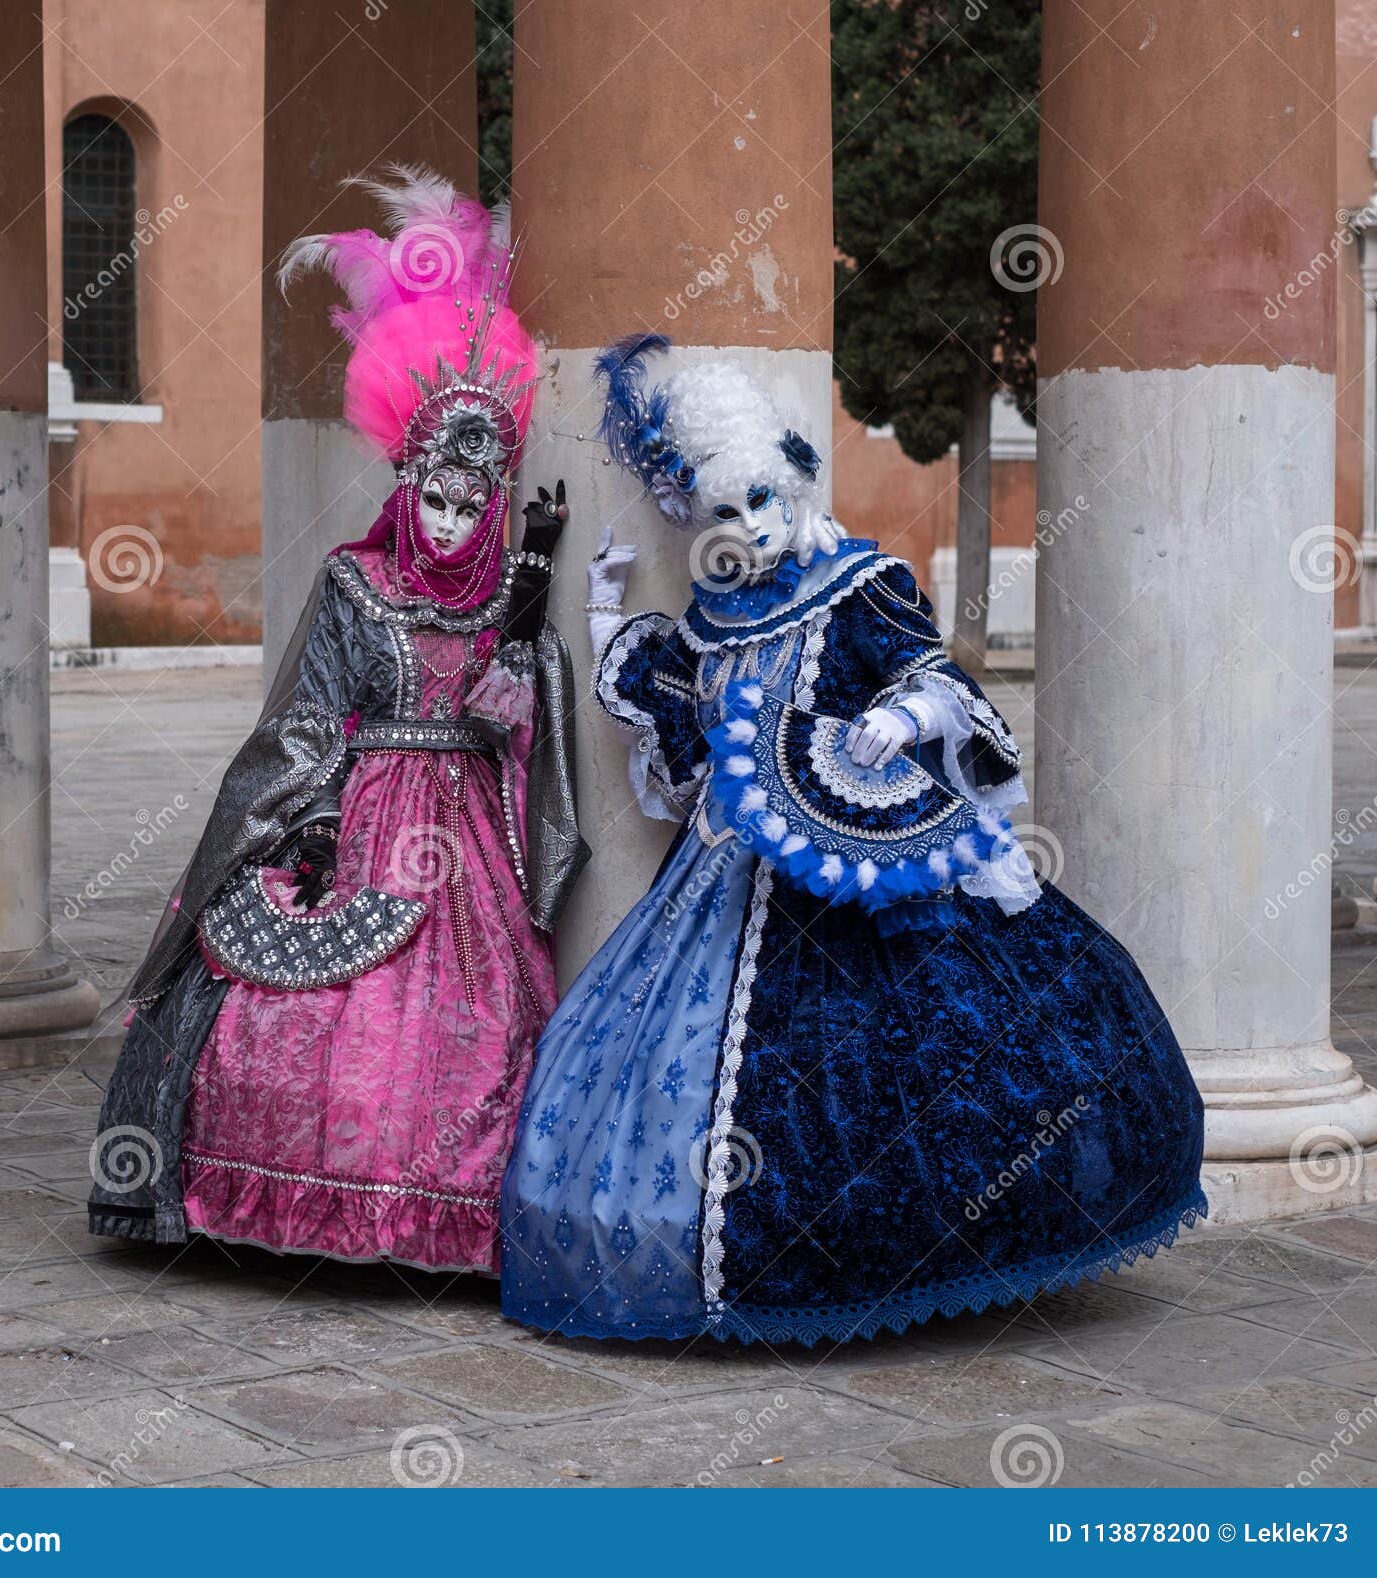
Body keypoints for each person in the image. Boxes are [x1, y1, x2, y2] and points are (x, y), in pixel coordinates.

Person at [499, 333, 1205, 1344]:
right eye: (722, 513)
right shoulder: (706, 623)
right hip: (717, 876)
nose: (748, 525)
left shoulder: (861, 587)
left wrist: (904, 720)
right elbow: (682, 731)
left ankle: (932, 1246)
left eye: (762, 500)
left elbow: (936, 678)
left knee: (921, 1059)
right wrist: (607, 614)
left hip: (864, 867)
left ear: (793, 484)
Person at [89, 169, 587, 1275]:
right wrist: (298, 831)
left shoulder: (511, 587)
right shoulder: (354, 586)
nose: (457, 519)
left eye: (478, 502)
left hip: (473, 840)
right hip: (363, 818)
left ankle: (446, 1217)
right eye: (441, 496)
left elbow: (517, 705)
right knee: (314, 1015)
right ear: (407, 480)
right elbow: (309, 722)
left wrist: (538, 583)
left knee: (483, 1025)